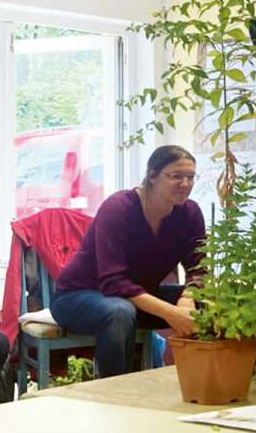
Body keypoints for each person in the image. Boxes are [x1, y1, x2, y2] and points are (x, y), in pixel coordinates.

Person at [50, 145, 206, 377]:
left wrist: (188, 299)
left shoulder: (190, 213)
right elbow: (114, 282)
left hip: (136, 298)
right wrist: (172, 313)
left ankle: (205, 384)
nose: (185, 184)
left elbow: (199, 267)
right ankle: (113, 393)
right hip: (77, 297)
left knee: (215, 302)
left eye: (190, 177)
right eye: (176, 176)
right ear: (152, 176)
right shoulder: (119, 208)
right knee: (119, 311)